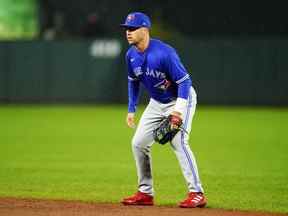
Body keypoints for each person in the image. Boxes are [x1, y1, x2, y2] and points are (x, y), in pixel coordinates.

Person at [120, 12, 207, 208]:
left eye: (132, 28)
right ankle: (145, 193)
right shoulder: (130, 55)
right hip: (157, 102)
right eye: (126, 29)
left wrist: (178, 111)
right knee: (138, 143)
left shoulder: (164, 53)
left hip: (180, 99)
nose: (128, 32)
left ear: (145, 30)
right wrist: (131, 109)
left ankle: (197, 193)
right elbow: (132, 82)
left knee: (178, 142)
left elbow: (185, 81)